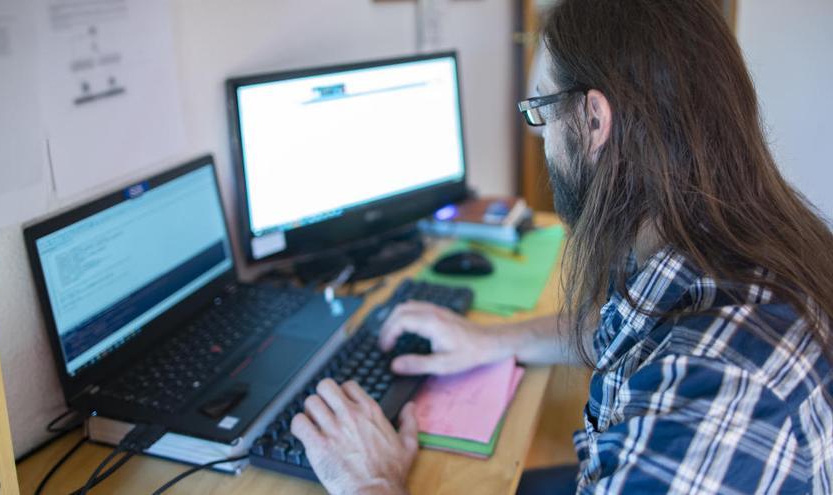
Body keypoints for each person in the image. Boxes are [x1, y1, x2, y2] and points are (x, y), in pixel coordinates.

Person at [289, 0, 833, 493]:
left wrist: (373, 482)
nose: (540, 139)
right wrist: (490, 340)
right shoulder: (725, 244)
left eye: (540, 112)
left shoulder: (719, 395)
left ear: (594, 121)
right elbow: (626, 327)